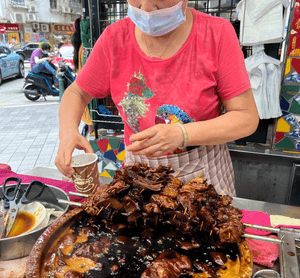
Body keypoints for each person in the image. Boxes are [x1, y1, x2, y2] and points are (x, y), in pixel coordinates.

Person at [55, 0, 259, 197]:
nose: (147, 8)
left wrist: (182, 134)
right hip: (139, 173)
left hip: (202, 172)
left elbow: (246, 117)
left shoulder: (217, 34)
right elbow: (77, 93)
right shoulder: (114, 38)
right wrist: (67, 132)